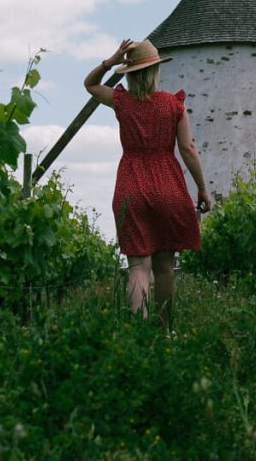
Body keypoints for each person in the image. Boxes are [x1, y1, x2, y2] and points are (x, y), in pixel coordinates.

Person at [84, 38, 211, 328]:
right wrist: (202, 188)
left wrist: (110, 62)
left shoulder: (122, 102)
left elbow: (90, 84)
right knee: (165, 268)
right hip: (167, 185)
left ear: (130, 73)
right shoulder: (173, 105)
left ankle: (139, 333)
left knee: (138, 267)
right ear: (155, 70)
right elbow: (188, 148)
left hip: (131, 183)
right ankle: (164, 330)